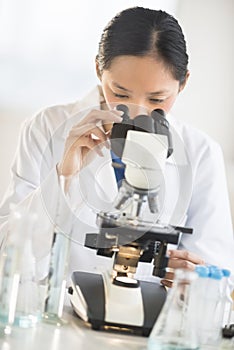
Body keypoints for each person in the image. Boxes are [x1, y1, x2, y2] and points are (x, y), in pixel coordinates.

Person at [0, 7, 233, 287]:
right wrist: (64, 176)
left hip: (148, 323)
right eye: (120, 94)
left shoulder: (201, 153)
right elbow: (8, 258)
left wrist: (194, 281)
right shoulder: (47, 127)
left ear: (182, 84)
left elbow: (218, 278)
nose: (137, 112)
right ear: (99, 69)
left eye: (157, 99)